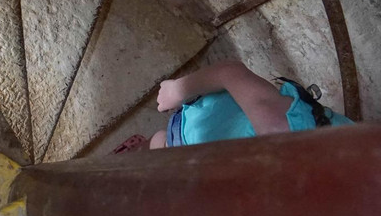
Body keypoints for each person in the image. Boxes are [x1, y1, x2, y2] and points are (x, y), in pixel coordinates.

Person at [130, 60, 353, 151]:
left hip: (195, 144)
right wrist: (176, 90)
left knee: (157, 143)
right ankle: (136, 151)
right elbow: (230, 73)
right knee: (157, 142)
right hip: (192, 131)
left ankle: (137, 151)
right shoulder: (283, 131)